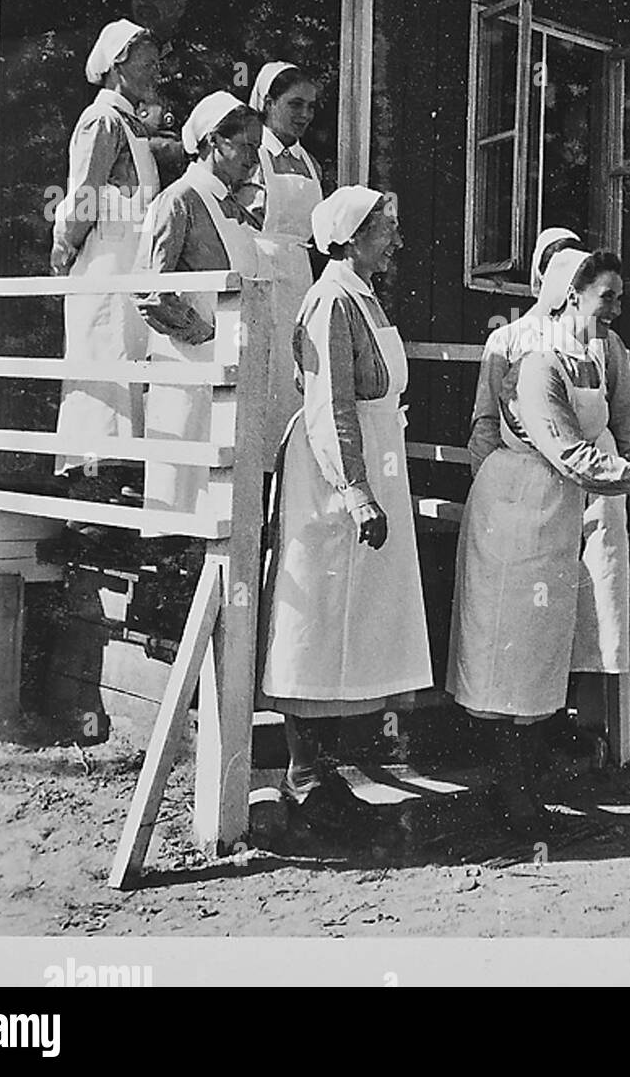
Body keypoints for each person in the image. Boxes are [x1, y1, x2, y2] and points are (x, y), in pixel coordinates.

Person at [448, 248, 630, 832]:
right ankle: (514, 798)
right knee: (510, 650)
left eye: (620, 297)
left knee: (542, 649)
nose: (617, 308)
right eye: (608, 296)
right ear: (572, 295)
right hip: (515, 511)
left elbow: (607, 438)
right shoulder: (538, 364)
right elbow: (571, 453)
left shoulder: (595, 359)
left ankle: (526, 790)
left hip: (556, 511)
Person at [258, 187, 432, 834]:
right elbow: (330, 403)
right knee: (321, 621)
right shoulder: (330, 299)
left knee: (353, 626)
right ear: (353, 235)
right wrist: (354, 491)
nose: (395, 239)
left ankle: (324, 777)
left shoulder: (360, 292)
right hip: (333, 475)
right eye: (385, 228)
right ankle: (305, 780)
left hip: (374, 457)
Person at [468, 229, 630, 734]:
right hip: (532, 491)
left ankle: (593, 726)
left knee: (596, 607)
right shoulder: (511, 341)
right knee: (530, 613)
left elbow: (625, 423)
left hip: (599, 486)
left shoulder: (603, 347)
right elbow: (485, 423)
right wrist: (492, 485)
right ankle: (530, 734)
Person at [132, 92, 264, 525]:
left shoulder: (237, 209)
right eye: (245, 147)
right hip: (191, 371)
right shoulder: (178, 201)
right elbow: (148, 288)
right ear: (213, 142)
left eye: (257, 149)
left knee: (227, 498)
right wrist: (202, 332)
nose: (252, 159)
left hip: (233, 373)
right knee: (185, 499)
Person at [51, 20, 162, 503]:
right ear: (119, 62)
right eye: (149, 62)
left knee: (129, 368)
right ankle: (91, 491)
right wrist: (64, 246)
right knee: (103, 367)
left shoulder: (133, 124)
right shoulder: (101, 121)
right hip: (104, 263)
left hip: (130, 262)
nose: (157, 71)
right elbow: (84, 198)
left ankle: (120, 481)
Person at [237, 61, 324, 470]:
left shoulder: (311, 164)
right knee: (263, 376)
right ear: (268, 103)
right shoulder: (252, 158)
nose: (305, 114)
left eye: (311, 106)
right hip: (259, 269)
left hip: (300, 278)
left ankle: (287, 480)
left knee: (294, 378)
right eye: (295, 104)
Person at [123, 0, 203, 189]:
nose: (144, 4)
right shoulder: (113, 60)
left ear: (179, 5)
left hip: (175, 189)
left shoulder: (199, 65)